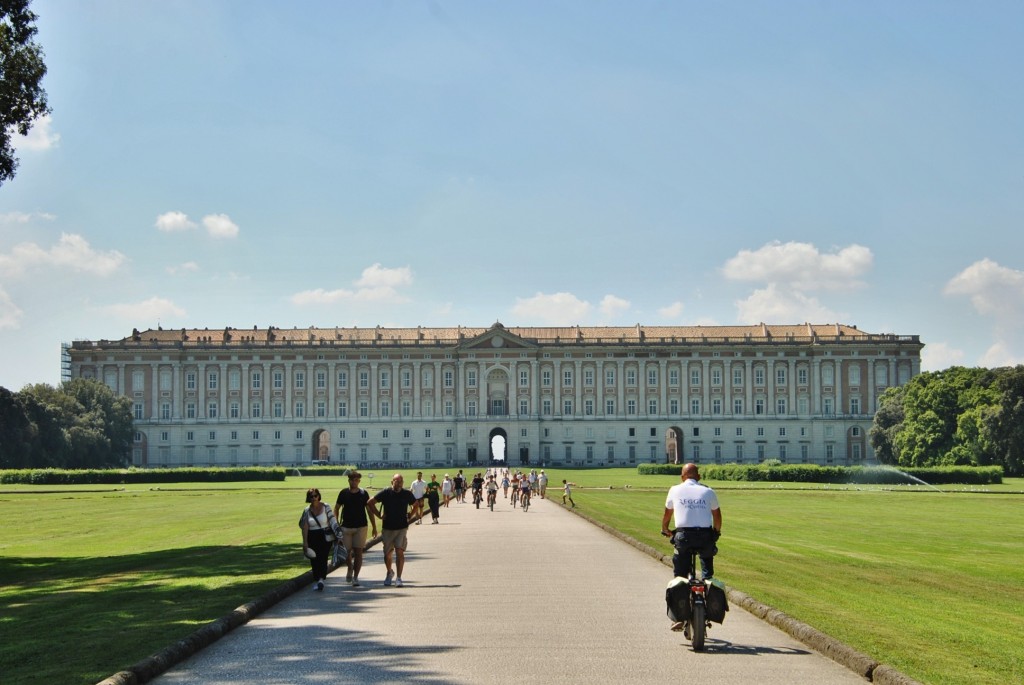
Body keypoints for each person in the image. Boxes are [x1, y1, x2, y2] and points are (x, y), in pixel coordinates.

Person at [661, 463, 722, 581]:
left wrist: (665, 529)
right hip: (705, 536)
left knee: (680, 573)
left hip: (683, 536)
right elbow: (717, 516)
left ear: (682, 477)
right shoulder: (708, 491)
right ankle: (707, 579)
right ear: (698, 477)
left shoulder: (674, 490)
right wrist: (716, 532)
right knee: (707, 555)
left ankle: (681, 582)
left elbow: (667, 514)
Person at [367, 473, 417, 587]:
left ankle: (399, 578)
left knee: (399, 551)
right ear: (392, 482)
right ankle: (389, 572)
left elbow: (416, 504)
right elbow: (370, 502)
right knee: (387, 554)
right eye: (396, 481)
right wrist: (379, 515)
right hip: (388, 528)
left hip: (401, 528)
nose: (399, 484)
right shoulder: (386, 492)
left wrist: (410, 515)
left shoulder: (407, 494)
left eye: (401, 481)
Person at [334, 472, 378, 587]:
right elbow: (336, 508)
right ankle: (350, 567)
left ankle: (356, 577)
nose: (354, 482)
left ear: (359, 481)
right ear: (348, 480)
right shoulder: (343, 493)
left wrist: (374, 527)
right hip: (346, 527)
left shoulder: (363, 493)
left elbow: (369, 511)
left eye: (356, 480)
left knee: (358, 552)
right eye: (352, 480)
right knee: (346, 552)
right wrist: (336, 523)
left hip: (361, 527)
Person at [299, 488, 341, 592]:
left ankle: (321, 579)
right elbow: (304, 527)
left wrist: (338, 535)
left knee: (323, 557)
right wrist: (305, 543)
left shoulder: (326, 507)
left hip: (325, 536)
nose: (314, 498)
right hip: (312, 536)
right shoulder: (307, 510)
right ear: (309, 498)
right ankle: (317, 579)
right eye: (311, 496)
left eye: (315, 496)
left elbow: (332, 521)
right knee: (314, 559)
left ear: (319, 496)